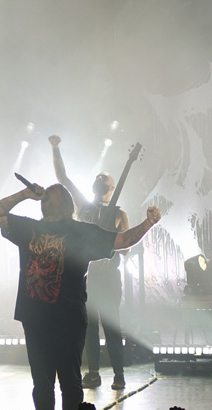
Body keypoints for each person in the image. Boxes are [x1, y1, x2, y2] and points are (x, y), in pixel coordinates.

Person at [0, 180, 162, 410]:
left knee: (69, 381)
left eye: (49, 197)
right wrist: (25, 194)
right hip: (35, 317)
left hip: (67, 317)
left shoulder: (81, 232)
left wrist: (148, 224)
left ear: (65, 204)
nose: (44, 200)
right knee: (41, 381)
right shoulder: (30, 228)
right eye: (43, 198)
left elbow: (122, 241)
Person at [49, 134, 129, 389]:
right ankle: (93, 373)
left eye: (103, 179)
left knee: (112, 327)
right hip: (87, 275)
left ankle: (119, 375)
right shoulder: (83, 205)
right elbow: (64, 180)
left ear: (112, 187)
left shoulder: (118, 213)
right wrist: (56, 148)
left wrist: (109, 243)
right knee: (89, 327)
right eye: (97, 178)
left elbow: (126, 247)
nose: (98, 180)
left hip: (108, 277)